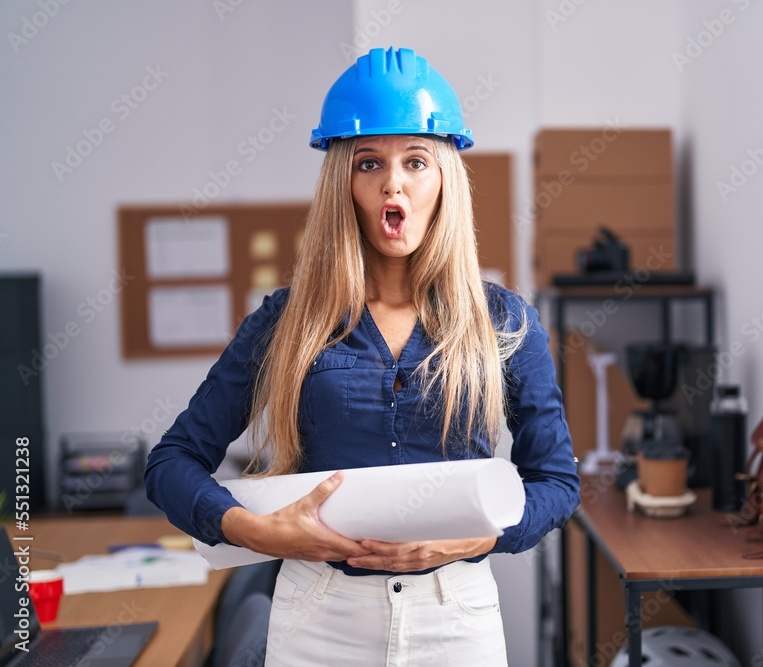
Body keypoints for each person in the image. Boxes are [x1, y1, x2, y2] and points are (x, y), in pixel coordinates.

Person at [144, 46, 580, 666]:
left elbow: (557, 483)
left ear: (444, 180)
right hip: (317, 618)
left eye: (416, 161)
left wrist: (482, 534)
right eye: (369, 163)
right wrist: (250, 528)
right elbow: (172, 462)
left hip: (454, 618)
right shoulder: (286, 321)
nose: (393, 183)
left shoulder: (503, 320)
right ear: (342, 183)